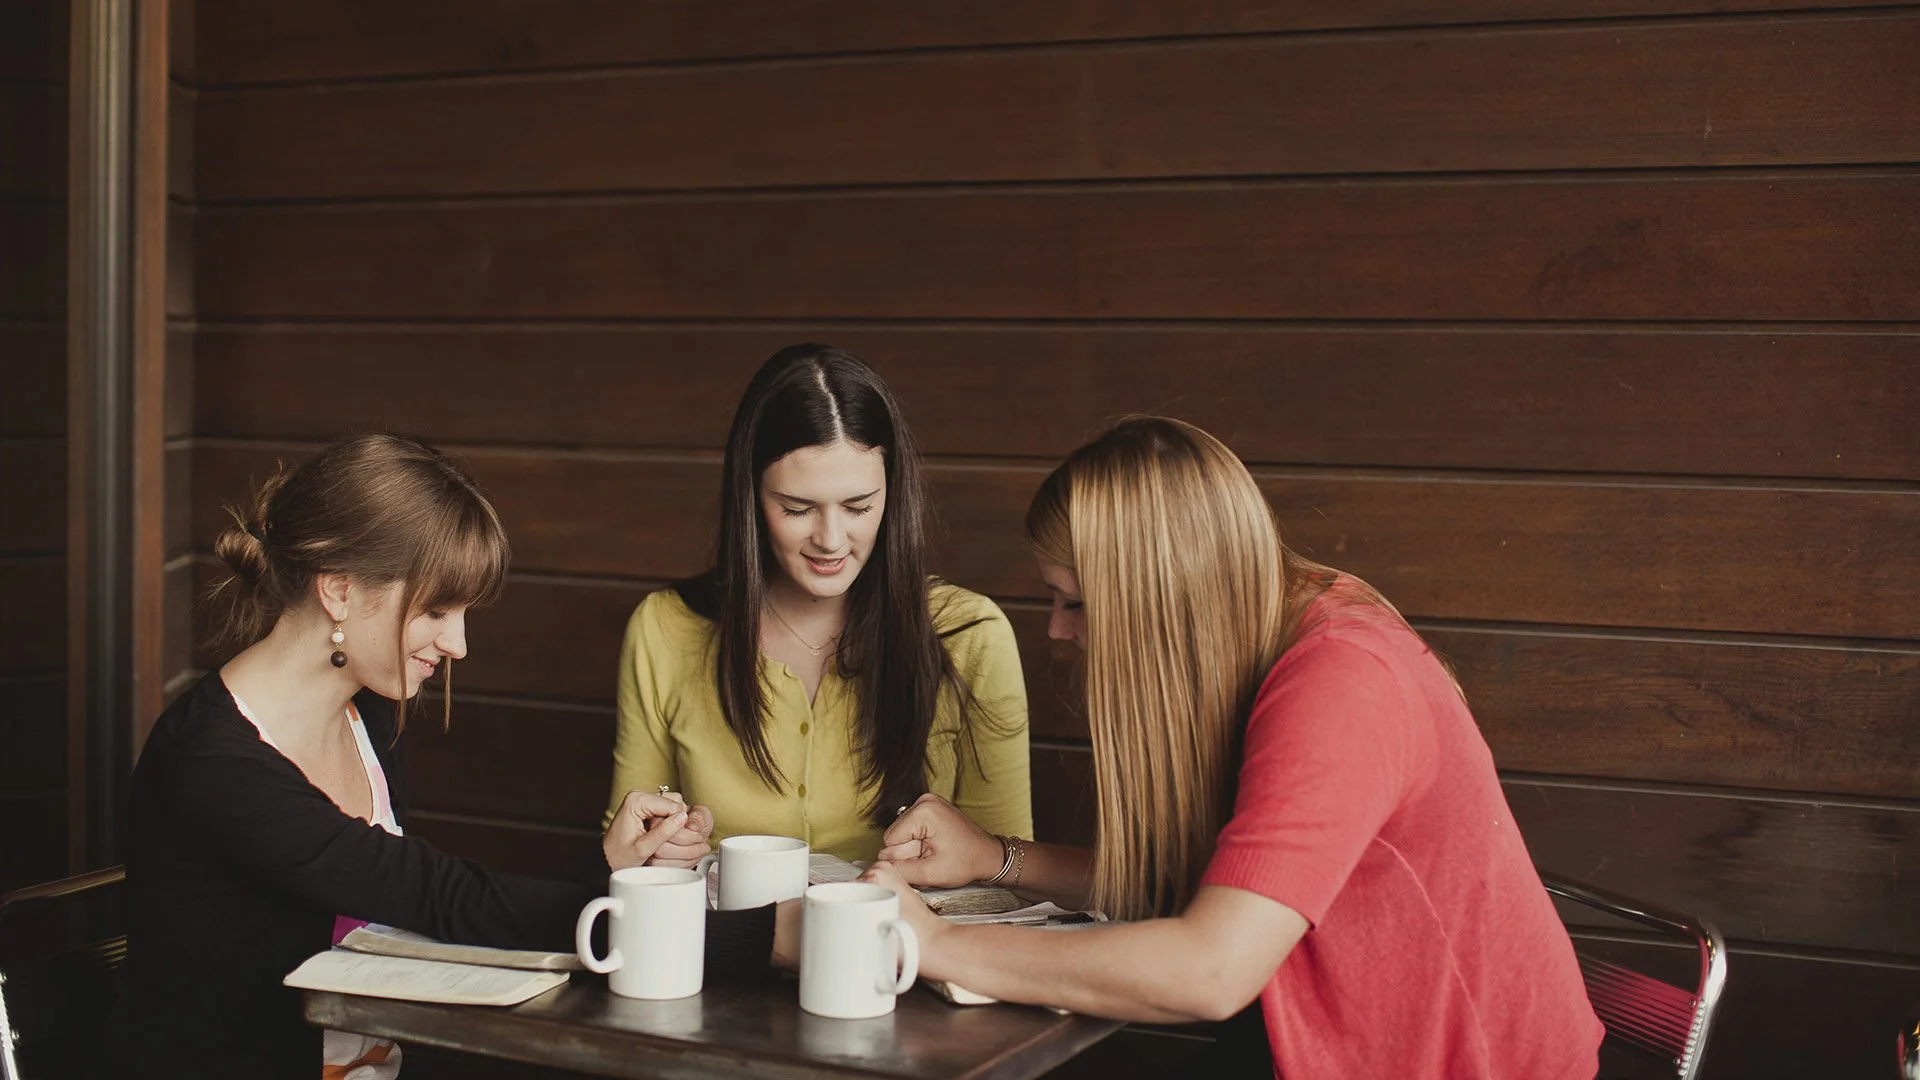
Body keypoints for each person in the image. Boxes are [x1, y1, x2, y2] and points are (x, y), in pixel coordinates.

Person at [863, 416, 1603, 1079]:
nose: (1058, 630)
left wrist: (928, 941)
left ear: (1161, 594)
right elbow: (1190, 890)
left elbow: (1209, 969)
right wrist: (998, 858)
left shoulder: (1343, 683)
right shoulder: (1283, 613)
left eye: (1077, 600)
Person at [105, 433, 790, 1080]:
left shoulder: (363, 711)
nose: (457, 643)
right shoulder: (215, 765)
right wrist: (764, 938)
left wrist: (609, 867)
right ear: (340, 588)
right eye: (437, 611)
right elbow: (436, 894)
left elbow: (412, 903)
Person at [605, 344, 1031, 865]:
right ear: (750, 499)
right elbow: (629, 849)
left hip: (912, 944)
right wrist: (658, 848)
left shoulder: (971, 635)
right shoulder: (666, 628)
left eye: (859, 507)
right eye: (797, 508)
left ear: (892, 496)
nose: (831, 540)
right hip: (728, 943)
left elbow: (1009, 871)